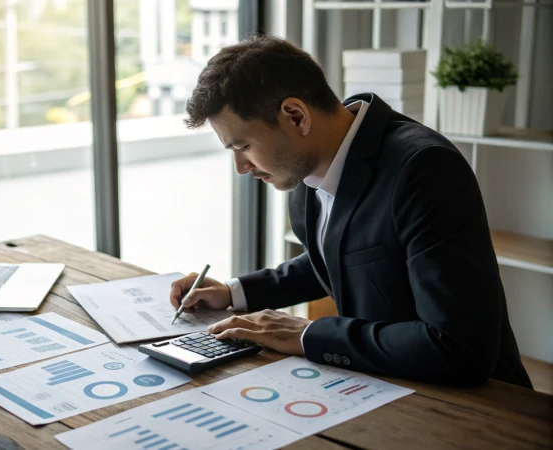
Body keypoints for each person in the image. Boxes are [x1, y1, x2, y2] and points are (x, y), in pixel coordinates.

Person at [169, 34, 532, 388]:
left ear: (295, 116)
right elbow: (340, 258)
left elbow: (458, 350)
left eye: (244, 146)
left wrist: (309, 333)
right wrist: (235, 293)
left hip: (479, 405)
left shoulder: (424, 169)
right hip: (379, 386)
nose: (241, 167)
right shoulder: (305, 172)